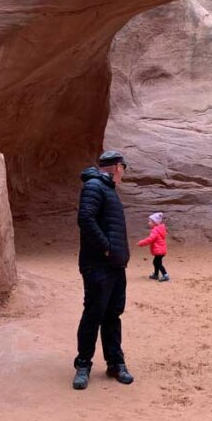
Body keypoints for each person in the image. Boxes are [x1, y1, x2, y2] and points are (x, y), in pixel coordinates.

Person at [73, 149, 134, 391]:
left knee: (112, 315)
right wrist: (106, 248)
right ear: (118, 167)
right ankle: (83, 365)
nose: (123, 174)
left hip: (115, 266)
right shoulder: (94, 187)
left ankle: (115, 363)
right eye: (123, 169)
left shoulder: (106, 189)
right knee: (93, 314)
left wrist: (117, 255)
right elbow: (85, 218)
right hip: (99, 264)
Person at [137, 212, 169, 282]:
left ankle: (165, 275)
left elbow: (150, 239)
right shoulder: (160, 230)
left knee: (157, 263)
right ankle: (156, 274)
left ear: (155, 223)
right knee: (156, 262)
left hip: (159, 250)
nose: (148, 223)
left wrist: (141, 243)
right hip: (161, 250)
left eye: (150, 221)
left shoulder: (155, 231)